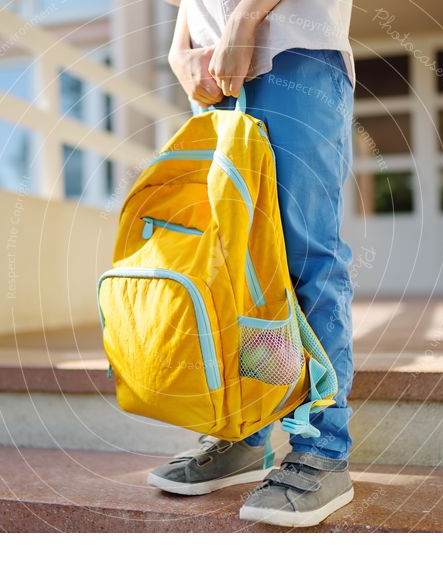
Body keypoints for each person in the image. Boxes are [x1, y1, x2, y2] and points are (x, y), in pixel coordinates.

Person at [147, 0, 356, 528]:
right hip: (214, 66)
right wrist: (180, 49)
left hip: (293, 48)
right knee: (241, 264)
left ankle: (321, 448)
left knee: (305, 254)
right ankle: (247, 430)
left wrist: (245, 19)